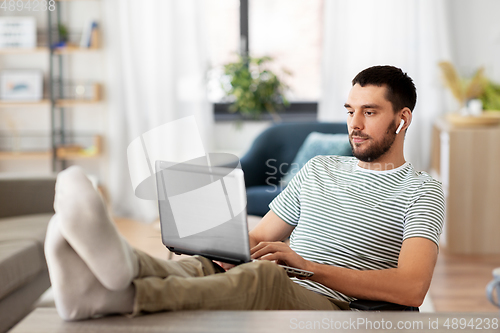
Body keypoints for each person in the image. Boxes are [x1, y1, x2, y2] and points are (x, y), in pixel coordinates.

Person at [45, 65, 445, 320]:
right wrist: (225, 250)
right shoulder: (320, 168)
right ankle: (108, 276)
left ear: (401, 119)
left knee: (262, 281)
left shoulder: (422, 190)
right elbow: (259, 237)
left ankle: (124, 296)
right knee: (201, 267)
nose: (353, 124)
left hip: (341, 307)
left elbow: (411, 287)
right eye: (349, 110)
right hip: (288, 279)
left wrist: (307, 268)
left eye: (369, 112)